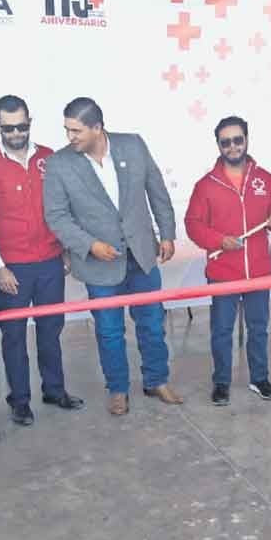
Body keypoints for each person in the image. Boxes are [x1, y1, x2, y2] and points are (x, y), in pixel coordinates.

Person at [43, 97, 181, 416]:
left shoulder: (132, 146)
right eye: (66, 130)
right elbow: (56, 216)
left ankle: (156, 380)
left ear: (97, 128)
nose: (70, 137)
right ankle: (117, 388)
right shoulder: (59, 164)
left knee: (151, 322)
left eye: (76, 131)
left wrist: (168, 233)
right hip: (99, 264)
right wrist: (89, 245)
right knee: (108, 330)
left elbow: (156, 190)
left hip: (142, 254)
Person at [0, 95, 83, 426]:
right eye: (9, 128)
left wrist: (64, 249)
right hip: (12, 266)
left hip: (49, 260)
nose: (16, 132)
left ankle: (54, 389)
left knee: (51, 328)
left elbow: (61, 208)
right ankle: (20, 400)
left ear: (30, 122)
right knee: (15, 334)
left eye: (22, 126)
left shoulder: (49, 158)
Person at [185, 116, 271, 405]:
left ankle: (260, 378)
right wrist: (219, 241)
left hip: (258, 271)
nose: (232, 146)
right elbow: (193, 224)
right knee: (221, 331)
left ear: (246, 139)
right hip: (222, 271)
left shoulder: (265, 179)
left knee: (259, 328)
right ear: (218, 145)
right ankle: (221, 382)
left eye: (237, 139)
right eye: (225, 142)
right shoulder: (205, 185)